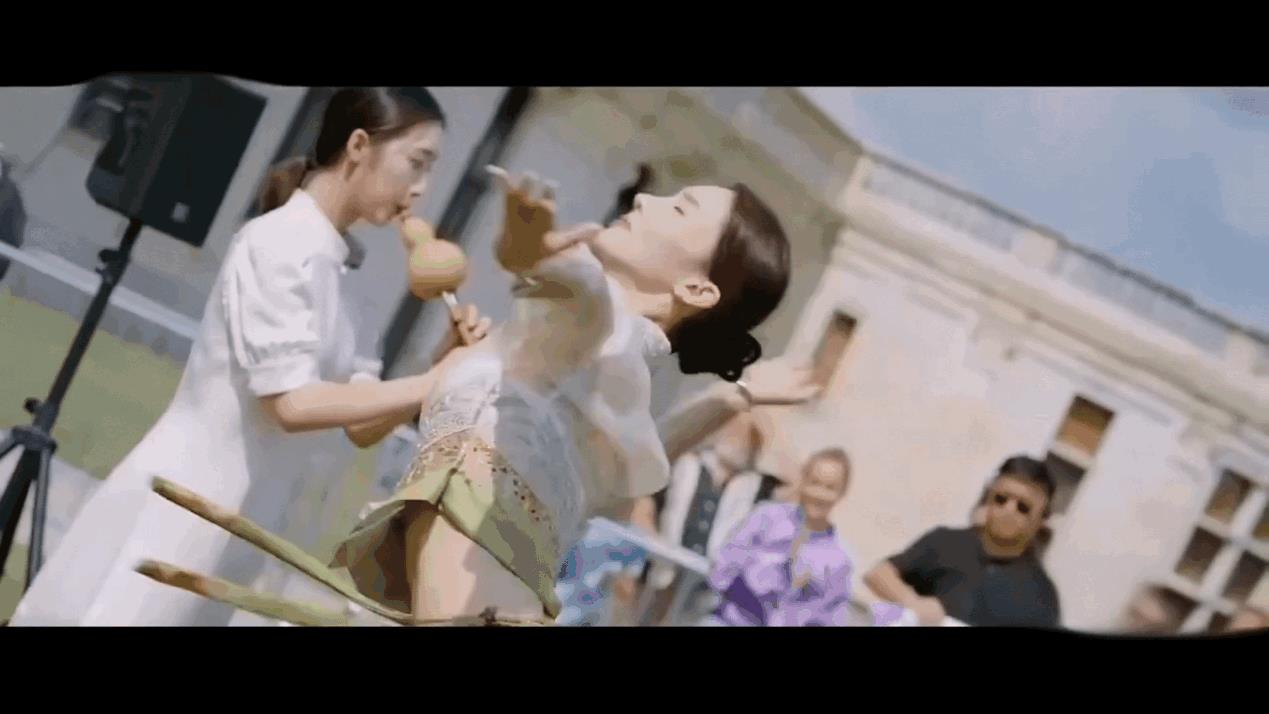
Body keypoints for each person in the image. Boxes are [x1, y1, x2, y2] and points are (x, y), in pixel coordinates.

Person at [141, 161, 799, 627]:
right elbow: (631, 468)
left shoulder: (600, 328)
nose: (647, 200)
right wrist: (733, 400)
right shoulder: (605, 386)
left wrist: (527, 248)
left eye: (678, 208)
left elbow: (578, 292)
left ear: (697, 290)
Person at [9, 87, 487, 627]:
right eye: (416, 163)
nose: (421, 189)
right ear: (359, 146)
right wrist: (437, 382)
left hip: (247, 524)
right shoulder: (277, 243)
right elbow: (290, 404)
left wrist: (440, 362)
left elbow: (361, 424)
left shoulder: (348, 281)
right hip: (184, 506)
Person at [863, 455, 1063, 628]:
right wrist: (913, 602)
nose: (1008, 510)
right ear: (988, 498)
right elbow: (879, 573)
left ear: (1040, 521)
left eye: (1023, 507)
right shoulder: (946, 543)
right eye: (1001, 499)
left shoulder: (1041, 595)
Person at [705, 448, 860, 626]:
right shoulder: (766, 517)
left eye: (830, 488)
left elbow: (830, 618)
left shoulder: (839, 562)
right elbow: (722, 568)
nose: (819, 494)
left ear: (841, 493)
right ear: (803, 480)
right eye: (814, 483)